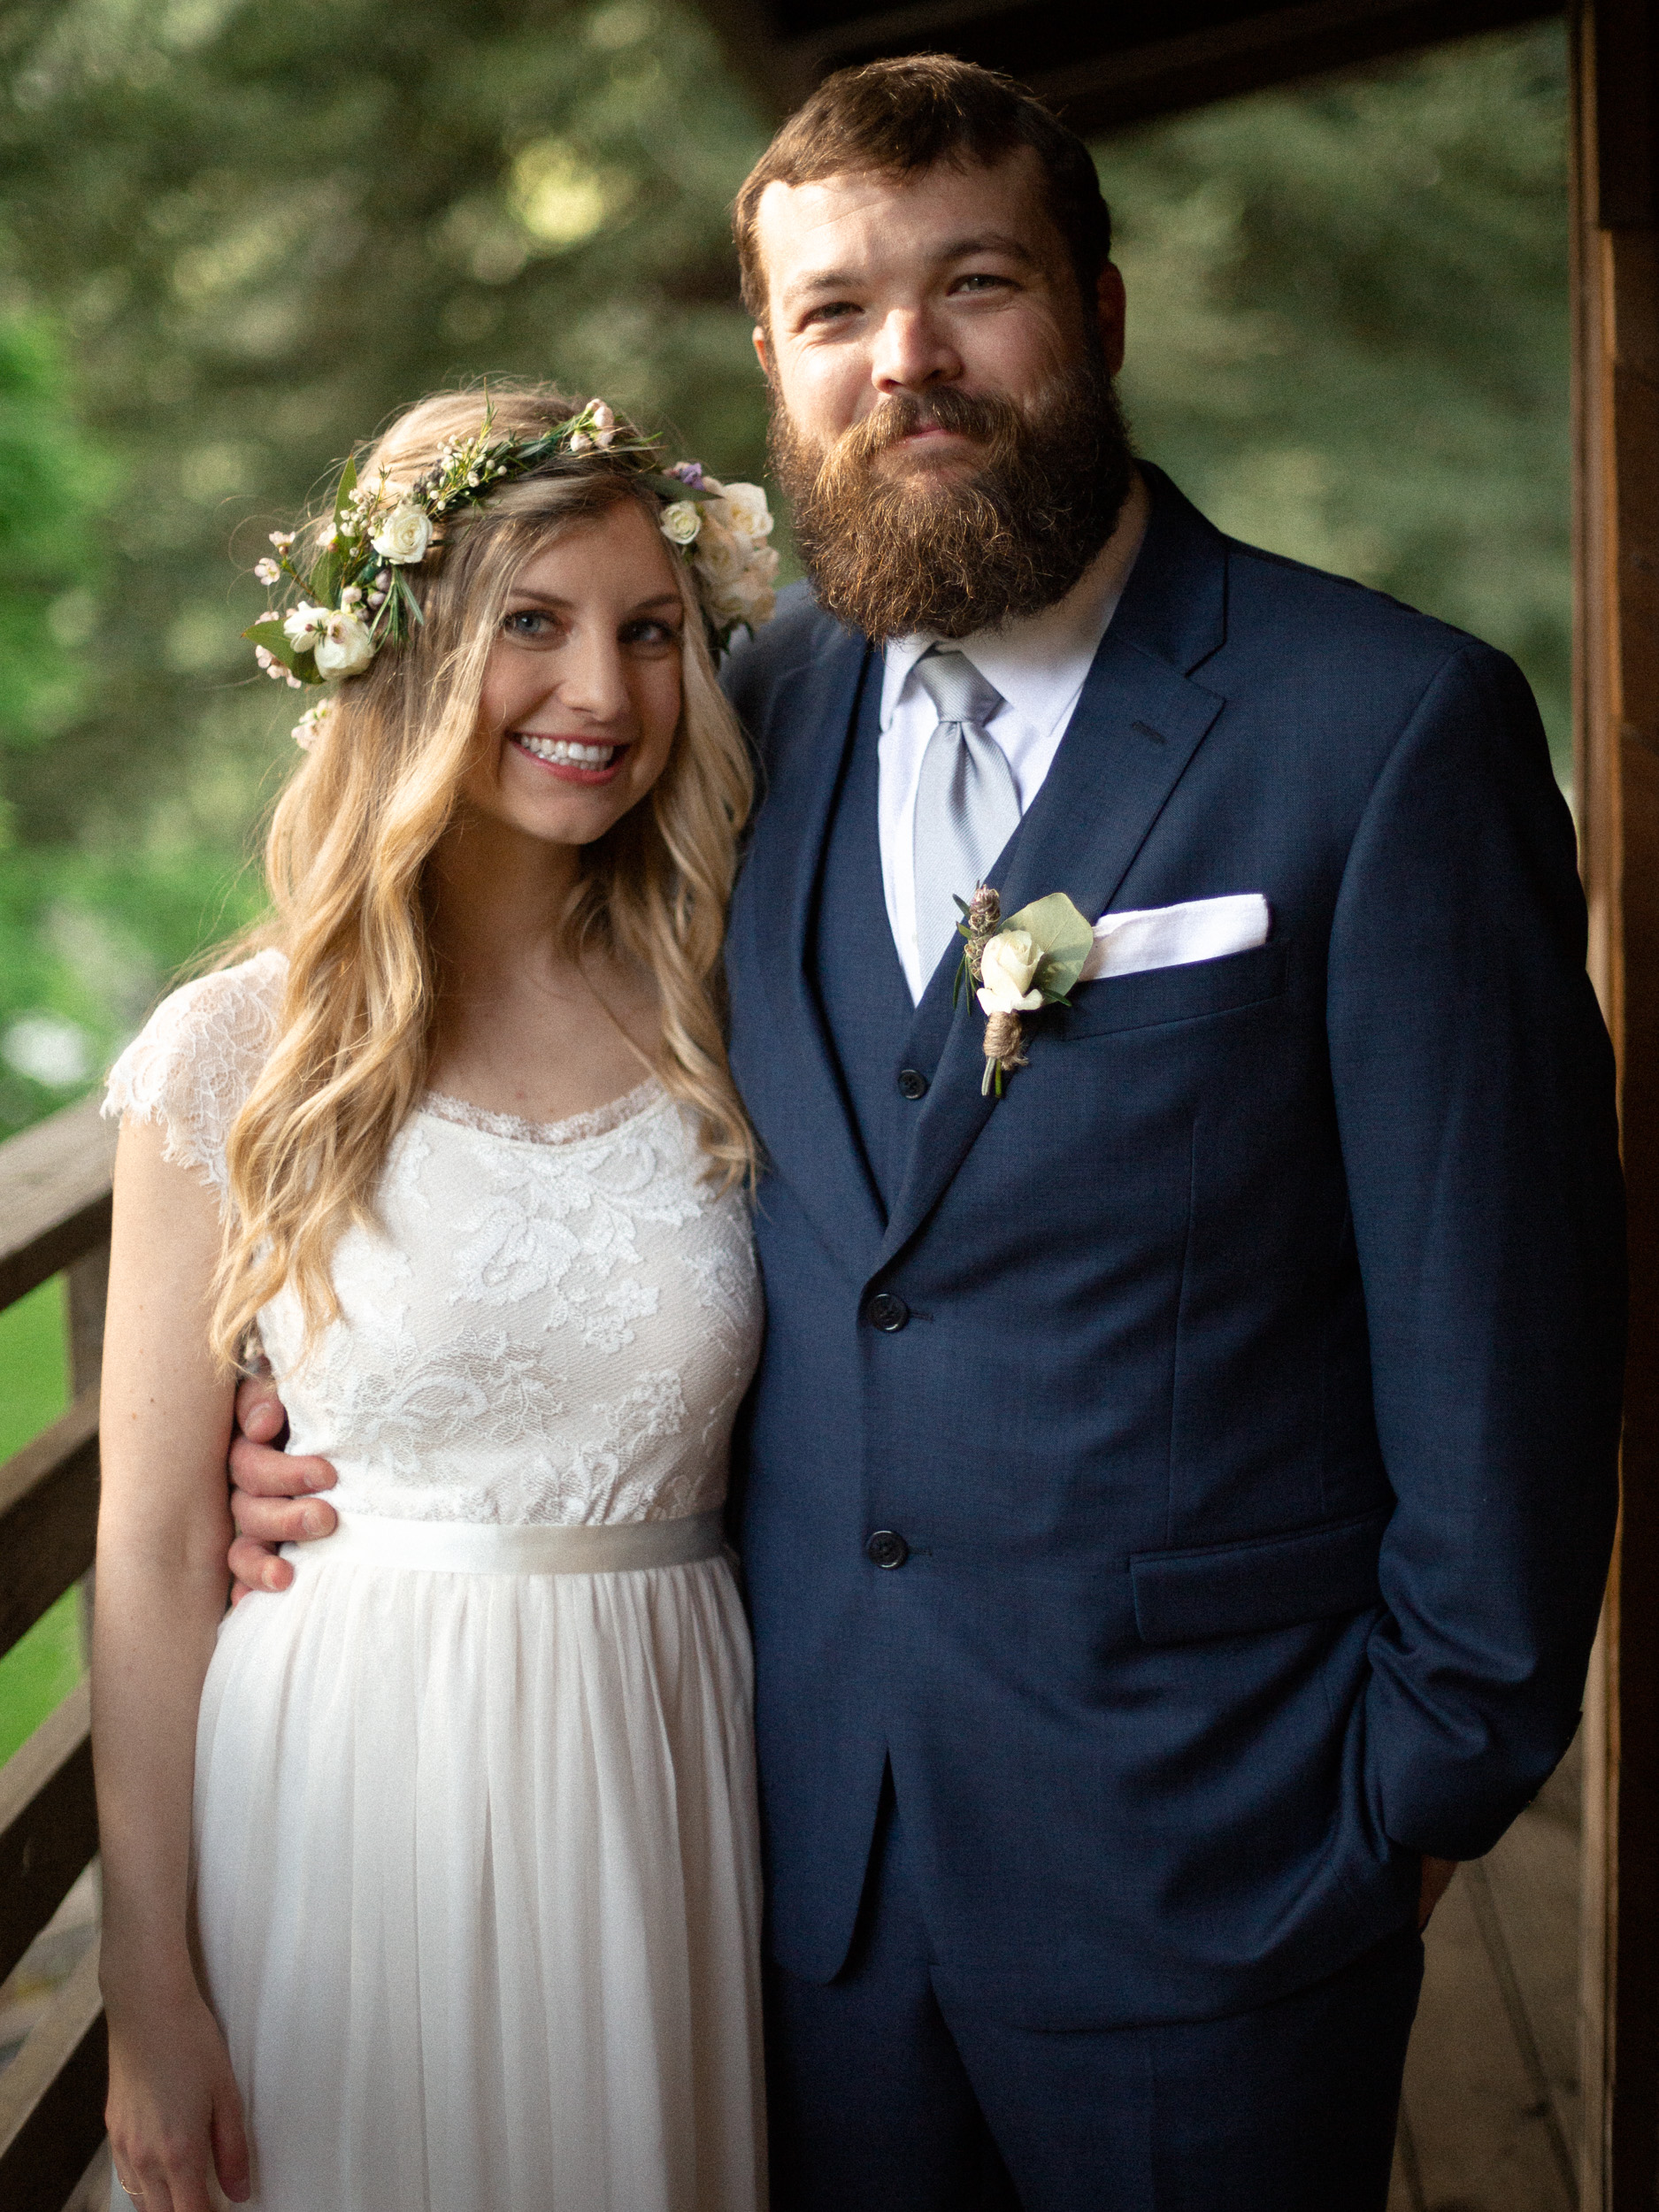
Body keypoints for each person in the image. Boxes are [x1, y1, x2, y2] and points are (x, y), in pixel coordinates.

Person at [223, 57, 1626, 2212]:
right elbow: (491, 1022)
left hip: (1226, 1864)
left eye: (972, 285)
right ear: (775, 365)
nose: (908, 361)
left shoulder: (1380, 729)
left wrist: (1415, 1788)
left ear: (1098, 310)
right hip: (791, 1889)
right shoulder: (729, 727)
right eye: (835, 311)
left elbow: (1502, 1316)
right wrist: (307, 1409)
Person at [92, 385, 780, 2212]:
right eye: (531, 625)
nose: (606, 695)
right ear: (404, 650)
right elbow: (156, 1554)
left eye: (648, 631)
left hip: (665, 1766)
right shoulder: (238, 1053)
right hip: (346, 1790)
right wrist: (146, 1981)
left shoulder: (730, 1005)